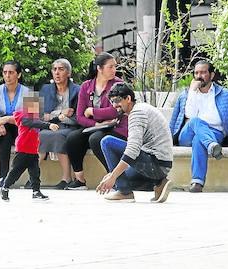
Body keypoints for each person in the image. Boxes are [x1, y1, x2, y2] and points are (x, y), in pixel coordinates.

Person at [170, 59, 228, 193]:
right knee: (195, 121)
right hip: (188, 134)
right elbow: (189, 115)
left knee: (199, 139)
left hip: (215, 133)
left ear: (212, 75)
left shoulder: (224, 94)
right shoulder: (187, 94)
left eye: (203, 72)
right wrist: (192, 91)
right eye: (196, 73)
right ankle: (211, 145)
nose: (199, 76)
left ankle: (197, 182)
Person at [97, 83, 174, 203]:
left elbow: (132, 150)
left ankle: (124, 192)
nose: (114, 105)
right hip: (160, 165)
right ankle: (159, 183)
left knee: (107, 142)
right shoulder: (141, 109)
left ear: (128, 99)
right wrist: (113, 176)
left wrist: (113, 176)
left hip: (156, 164)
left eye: (117, 100)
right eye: (112, 102)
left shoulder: (137, 113)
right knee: (117, 180)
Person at [64, 52, 126, 190]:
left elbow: (115, 111)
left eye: (115, 67)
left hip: (115, 127)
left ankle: (115, 177)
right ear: (99, 68)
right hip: (96, 126)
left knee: (96, 139)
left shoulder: (119, 85)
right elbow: (80, 116)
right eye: (110, 67)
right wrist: (97, 124)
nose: (114, 70)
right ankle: (80, 180)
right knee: (73, 138)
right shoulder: (86, 86)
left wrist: (92, 112)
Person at [0, 97, 56, 201]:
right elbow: (34, 123)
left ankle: (36, 191)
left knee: (35, 173)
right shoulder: (24, 118)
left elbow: (38, 122)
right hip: (22, 150)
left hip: (33, 151)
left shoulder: (35, 118)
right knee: (15, 172)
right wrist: (49, 125)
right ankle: (5, 187)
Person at [38, 59, 81, 189]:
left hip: (71, 126)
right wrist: (59, 114)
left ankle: (66, 178)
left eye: (61, 69)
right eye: (54, 69)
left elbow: (77, 115)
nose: (57, 73)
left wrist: (53, 116)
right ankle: (33, 176)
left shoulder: (78, 90)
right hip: (48, 126)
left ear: (68, 73)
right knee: (37, 136)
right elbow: (36, 115)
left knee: (59, 135)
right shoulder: (44, 89)